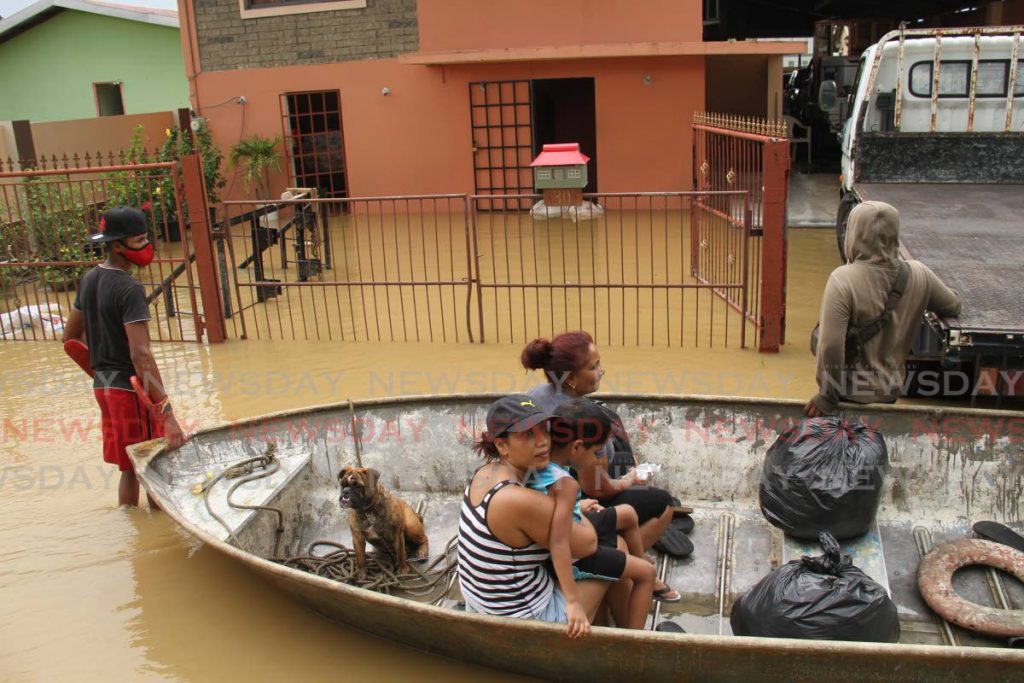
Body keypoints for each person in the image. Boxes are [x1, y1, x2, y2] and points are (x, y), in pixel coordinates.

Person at [521, 331, 681, 602]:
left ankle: (628, 554)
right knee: (664, 504)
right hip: (574, 502)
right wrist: (630, 479)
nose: (602, 370)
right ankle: (634, 563)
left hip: (540, 493)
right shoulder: (583, 424)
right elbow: (599, 489)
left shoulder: (536, 394)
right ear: (571, 378)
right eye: (593, 366)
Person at [62, 206, 187, 507]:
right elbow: (140, 354)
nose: (146, 247)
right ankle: (160, 539)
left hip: (104, 389)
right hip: (130, 391)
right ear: (117, 245)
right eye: (139, 240)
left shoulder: (90, 279)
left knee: (130, 466)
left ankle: (134, 536)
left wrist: (101, 371)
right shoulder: (129, 288)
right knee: (154, 463)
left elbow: (70, 339)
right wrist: (166, 413)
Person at [457, 395, 610, 638]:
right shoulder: (516, 500)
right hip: (522, 616)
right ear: (501, 445)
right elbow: (587, 543)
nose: (543, 442)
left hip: (480, 599)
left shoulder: (486, 471)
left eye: (544, 430)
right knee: (613, 558)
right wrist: (572, 505)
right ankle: (613, 635)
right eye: (528, 434)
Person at [805, 201, 961, 417]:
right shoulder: (920, 274)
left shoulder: (843, 279)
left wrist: (827, 395)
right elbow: (952, 305)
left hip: (848, 396)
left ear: (853, 233)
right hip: (891, 391)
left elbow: (831, 346)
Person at [529, 399, 654, 629]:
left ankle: (613, 623)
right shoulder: (565, 483)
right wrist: (573, 601)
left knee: (621, 535)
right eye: (596, 453)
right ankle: (636, 641)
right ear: (576, 448)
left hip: (569, 542)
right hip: (575, 559)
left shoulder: (543, 466)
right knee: (646, 573)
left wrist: (580, 507)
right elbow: (560, 542)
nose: (597, 459)